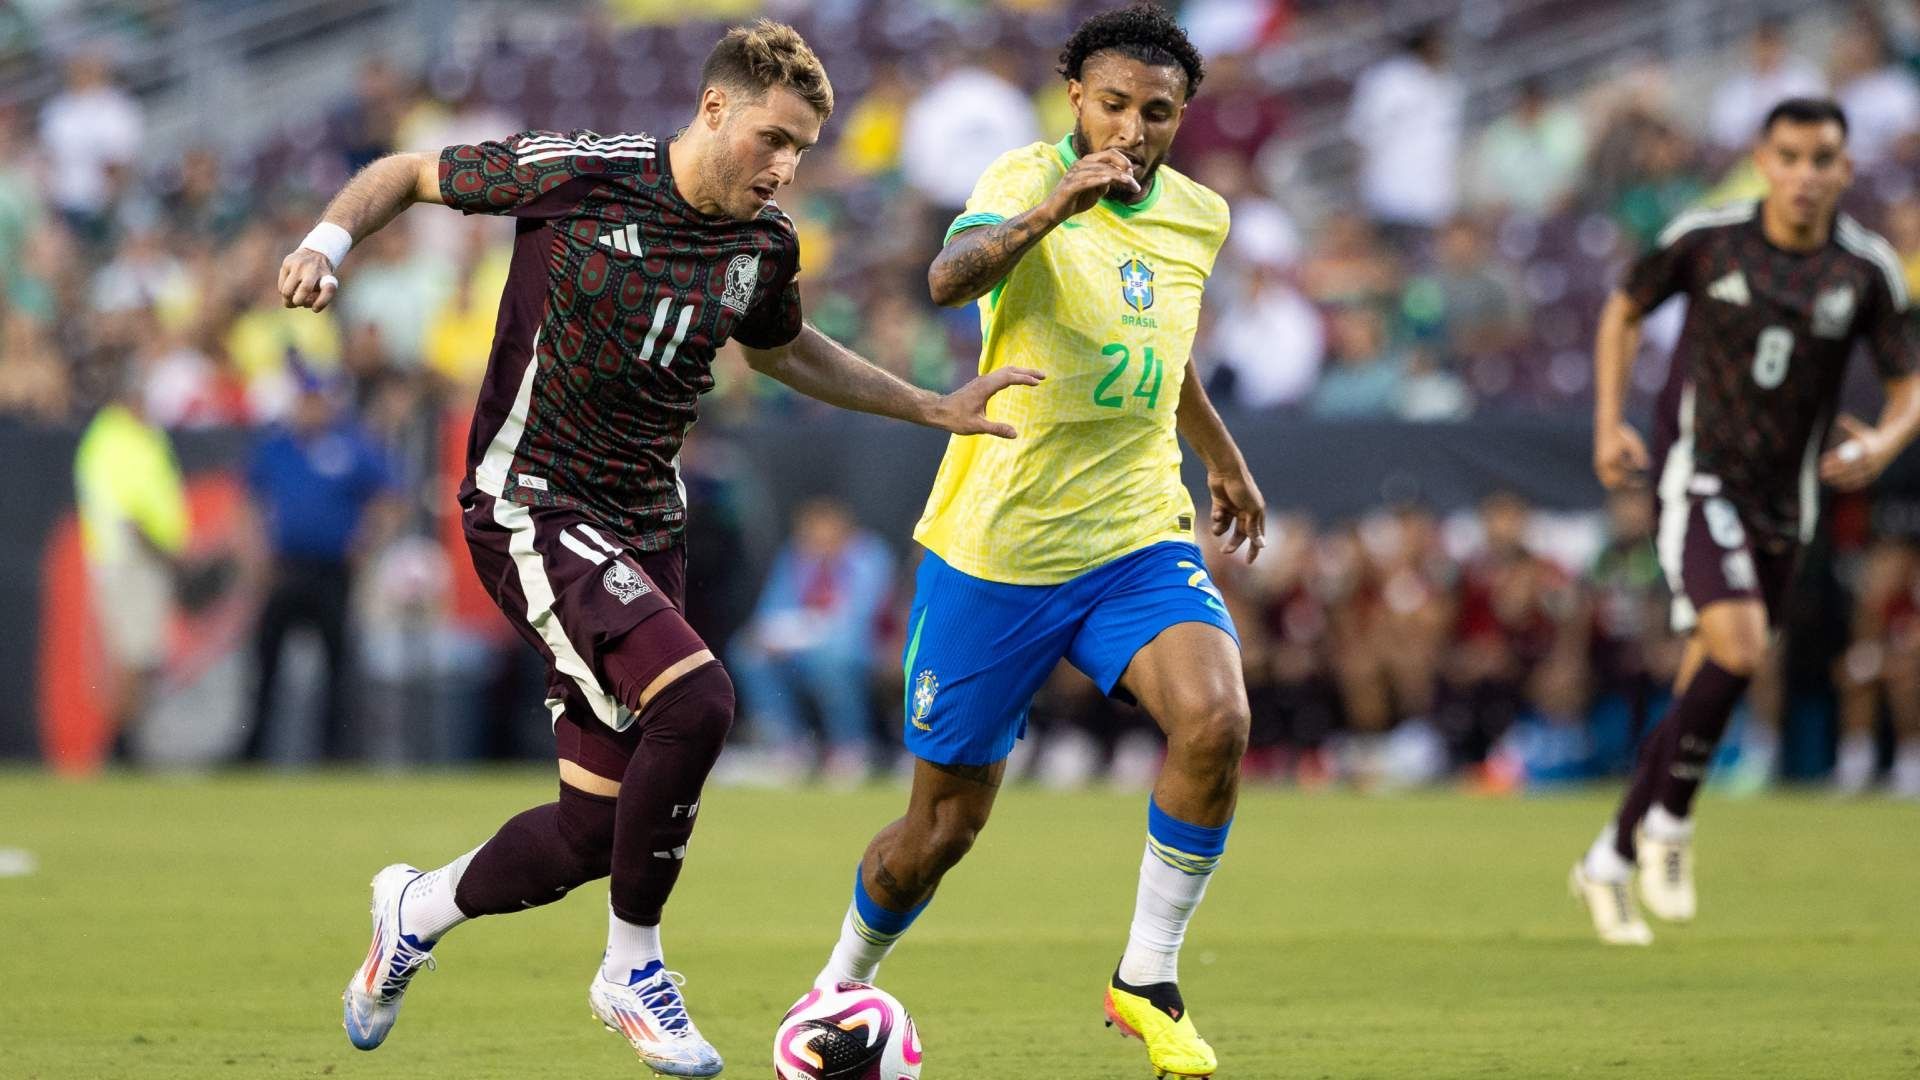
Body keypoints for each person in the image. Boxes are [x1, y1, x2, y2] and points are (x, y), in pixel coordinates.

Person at [276, 20, 1035, 1075]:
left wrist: (927, 406)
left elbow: (782, 351)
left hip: (645, 524)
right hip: (528, 501)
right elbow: (408, 172)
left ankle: (416, 909)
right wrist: (326, 242)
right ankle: (633, 968)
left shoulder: (764, 245)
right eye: (772, 138)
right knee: (701, 699)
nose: (784, 167)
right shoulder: (581, 175)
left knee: (593, 833)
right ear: (714, 108)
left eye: (804, 149)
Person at [798, 9, 1264, 1079]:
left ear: (1180, 117)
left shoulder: (1200, 217)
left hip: (1137, 533)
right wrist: (1057, 204)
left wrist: (1224, 456)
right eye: (1114, 105)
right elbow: (948, 278)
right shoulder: (1020, 177)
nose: (1134, 128)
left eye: (1158, 112)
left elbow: (1166, 347)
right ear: (1075, 100)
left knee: (1216, 718)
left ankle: (1146, 976)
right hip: (998, 546)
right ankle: (837, 988)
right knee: (940, 834)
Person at [1572, 98, 1920, 945]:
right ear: (1764, 160)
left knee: (1710, 676)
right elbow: (1623, 307)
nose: (1805, 174)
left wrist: (1885, 438)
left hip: (1788, 500)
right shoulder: (1710, 238)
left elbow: (1910, 383)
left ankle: (1610, 861)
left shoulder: (1866, 270)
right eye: (1790, 156)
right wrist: (1609, 421)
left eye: (1822, 158)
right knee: (1738, 649)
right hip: (1700, 477)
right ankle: (1673, 824)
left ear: (1844, 168)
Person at [238, 369, 401, 763]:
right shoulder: (277, 447)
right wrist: (254, 556)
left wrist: (366, 544)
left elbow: (390, 499)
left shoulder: (350, 446)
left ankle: (335, 753)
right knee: (266, 663)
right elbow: (249, 504)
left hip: (332, 572)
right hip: (284, 569)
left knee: (337, 665)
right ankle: (255, 751)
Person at [730, 499, 896, 784]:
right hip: (802, 651)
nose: (818, 545)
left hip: (860, 649)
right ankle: (787, 746)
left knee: (831, 658)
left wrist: (809, 634)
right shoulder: (796, 557)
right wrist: (773, 635)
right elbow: (771, 610)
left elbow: (860, 619)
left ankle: (851, 746)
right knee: (748, 652)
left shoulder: (869, 555)